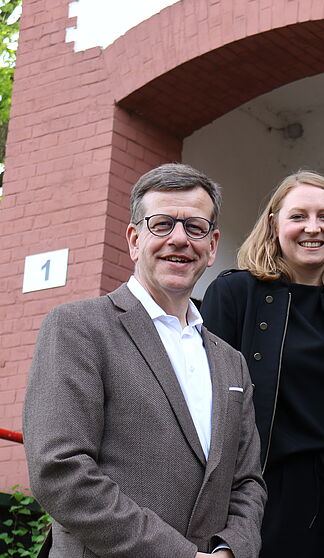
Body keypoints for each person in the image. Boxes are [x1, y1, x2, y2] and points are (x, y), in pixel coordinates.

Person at [23, 163, 266, 558]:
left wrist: (229, 550)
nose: (179, 239)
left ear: (212, 246)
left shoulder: (231, 361)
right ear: (135, 239)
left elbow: (247, 482)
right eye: (162, 224)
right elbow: (60, 470)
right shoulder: (78, 327)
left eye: (195, 228)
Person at [201, 171, 324, 557]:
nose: (312, 228)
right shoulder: (235, 294)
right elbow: (206, 407)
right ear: (274, 224)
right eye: (298, 216)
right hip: (260, 495)